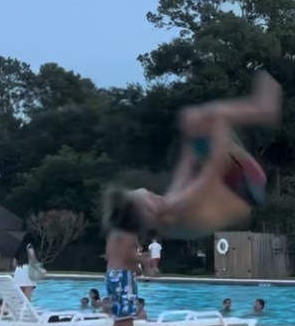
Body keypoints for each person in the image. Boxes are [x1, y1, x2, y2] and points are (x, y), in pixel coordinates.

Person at [102, 71, 282, 240]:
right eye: (150, 205)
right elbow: (212, 170)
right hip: (248, 186)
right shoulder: (181, 208)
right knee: (212, 115)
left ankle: (263, 108)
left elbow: (184, 171)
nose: (153, 196)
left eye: (147, 193)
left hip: (237, 185)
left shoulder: (166, 208)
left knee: (192, 119)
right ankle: (267, 109)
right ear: (149, 221)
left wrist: (189, 139)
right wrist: (220, 127)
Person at [105, 228, 156, 326]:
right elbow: (127, 255)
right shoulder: (129, 233)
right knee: (127, 316)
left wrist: (136, 267)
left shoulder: (114, 233)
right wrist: (144, 260)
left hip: (111, 273)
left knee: (119, 315)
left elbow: (111, 255)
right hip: (123, 276)